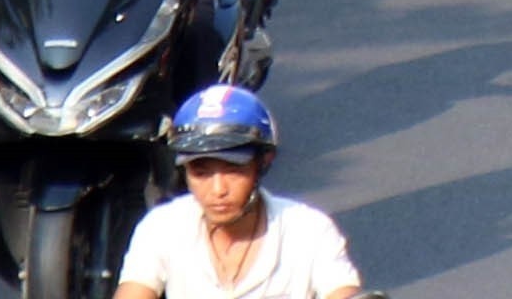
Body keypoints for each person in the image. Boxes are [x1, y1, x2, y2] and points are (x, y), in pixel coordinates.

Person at [115, 89, 363, 299]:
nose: (218, 190)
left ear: (263, 163)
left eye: (233, 171)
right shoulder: (161, 227)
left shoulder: (309, 230)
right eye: (201, 173)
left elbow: (341, 289)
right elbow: (135, 290)